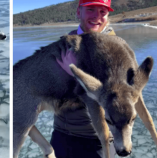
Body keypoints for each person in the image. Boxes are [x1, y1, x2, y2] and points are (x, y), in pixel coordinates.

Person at [50, 0, 117, 157]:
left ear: (107, 16)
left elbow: (118, 98)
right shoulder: (61, 45)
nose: (97, 17)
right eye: (91, 9)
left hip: (100, 141)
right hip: (62, 136)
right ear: (79, 12)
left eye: (102, 12)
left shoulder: (118, 49)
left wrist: (73, 73)